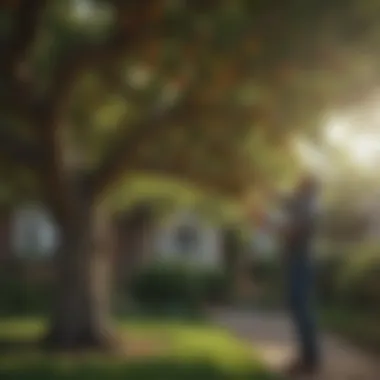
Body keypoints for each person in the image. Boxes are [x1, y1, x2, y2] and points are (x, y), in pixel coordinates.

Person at [282, 174, 321, 376]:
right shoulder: (302, 205)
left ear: (306, 187)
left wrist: (284, 232)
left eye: (299, 184)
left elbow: (295, 232)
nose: (295, 186)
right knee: (298, 308)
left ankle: (309, 359)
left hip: (301, 262)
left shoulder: (307, 206)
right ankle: (306, 357)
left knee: (302, 308)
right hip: (299, 261)